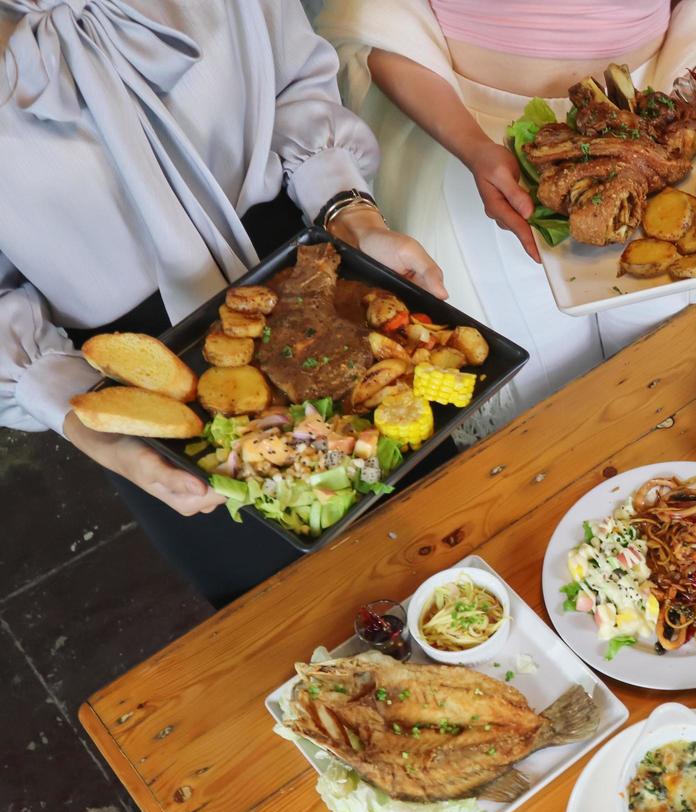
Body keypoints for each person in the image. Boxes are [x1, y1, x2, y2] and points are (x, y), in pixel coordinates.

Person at [0, 0, 447, 607]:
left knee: (458, 541)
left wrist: (352, 217)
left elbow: (291, 83)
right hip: (144, 380)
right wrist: (104, 436)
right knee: (296, 629)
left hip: (313, 283)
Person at [314, 0, 696, 441]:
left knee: (681, 386)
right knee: (540, 409)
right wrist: (474, 147)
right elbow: (373, 16)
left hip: (659, 124)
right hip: (469, 138)